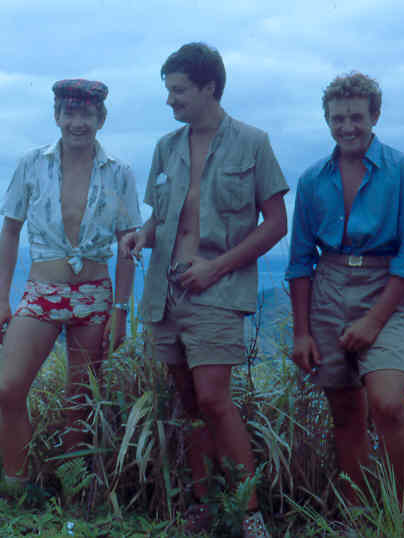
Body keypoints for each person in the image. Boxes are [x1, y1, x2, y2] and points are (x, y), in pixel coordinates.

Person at [120, 43, 288, 537]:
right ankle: (202, 505)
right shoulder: (165, 147)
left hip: (218, 290)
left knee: (214, 399)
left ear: (209, 87)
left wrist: (215, 269)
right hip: (165, 292)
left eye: (179, 90)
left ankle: (249, 514)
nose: (170, 100)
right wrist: (141, 236)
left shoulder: (253, 143)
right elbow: (162, 219)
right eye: (169, 90)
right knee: (188, 402)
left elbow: (276, 224)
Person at [285, 72, 404, 511]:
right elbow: (299, 261)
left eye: (356, 117)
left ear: (375, 116)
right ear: (327, 119)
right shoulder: (313, 179)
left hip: (385, 290)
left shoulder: (403, 172)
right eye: (337, 118)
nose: (347, 127)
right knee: (346, 412)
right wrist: (301, 333)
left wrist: (372, 321)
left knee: (387, 404)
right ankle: (359, 516)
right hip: (328, 288)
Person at [0, 79, 141, 490]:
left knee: (80, 402)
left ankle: (74, 493)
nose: (78, 122)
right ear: (57, 116)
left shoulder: (119, 172)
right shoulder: (31, 164)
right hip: (42, 293)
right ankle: (17, 486)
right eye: (70, 113)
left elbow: (128, 244)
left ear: (101, 118)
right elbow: (10, 231)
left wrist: (121, 310)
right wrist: (1, 300)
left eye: (87, 114)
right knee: (9, 389)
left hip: (95, 297)